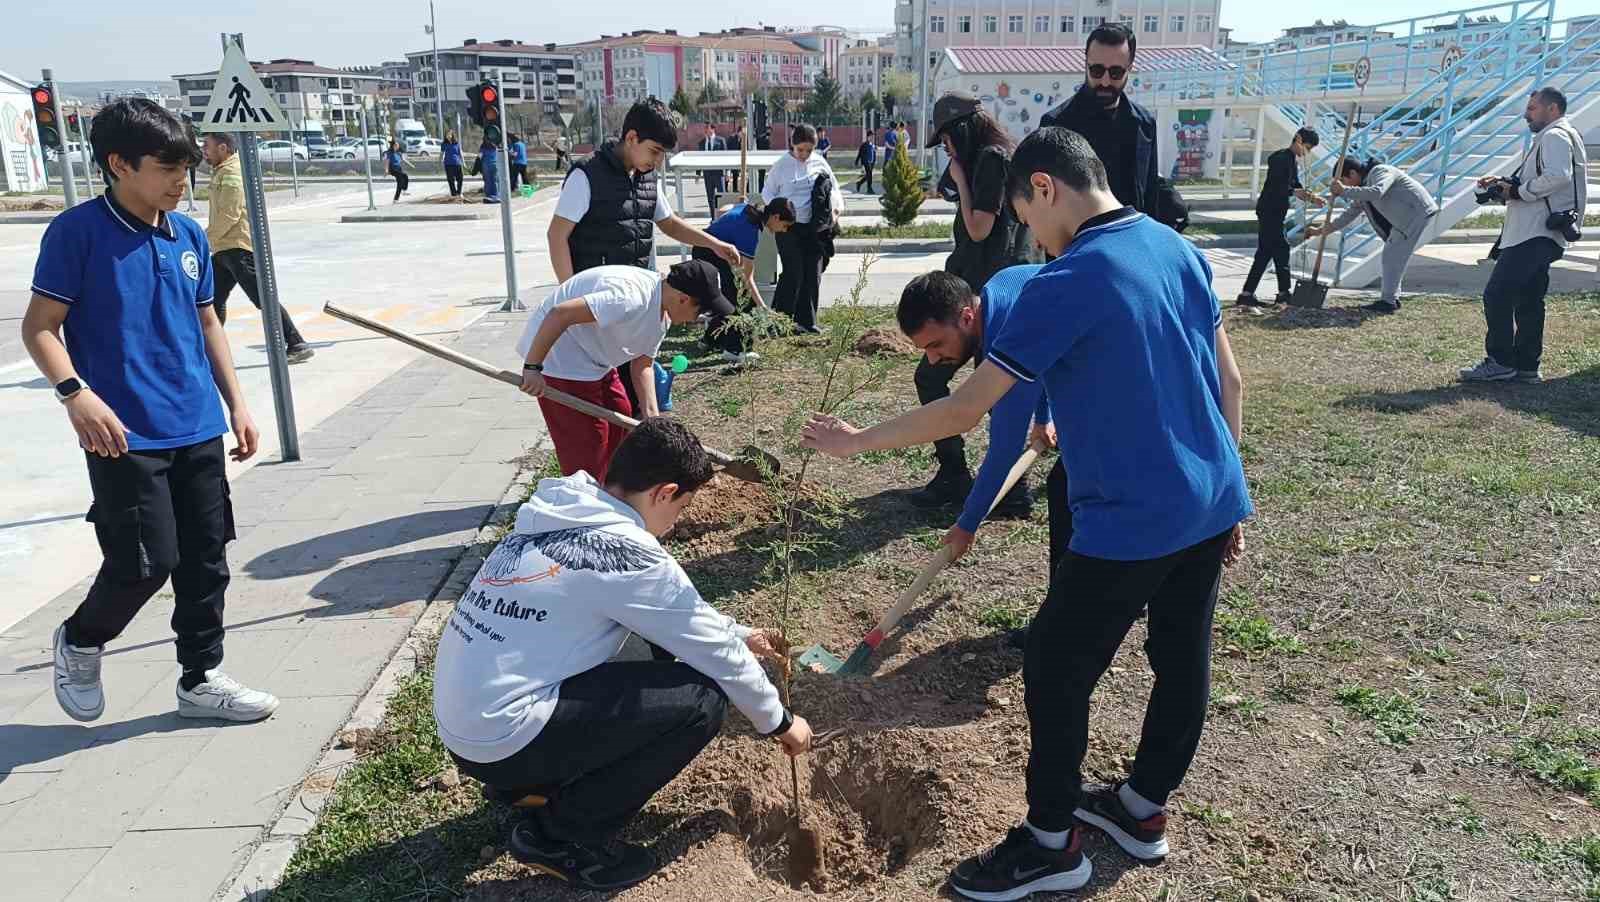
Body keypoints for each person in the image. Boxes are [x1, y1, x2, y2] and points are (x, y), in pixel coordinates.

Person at [802, 127, 1250, 900]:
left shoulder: (1066, 278)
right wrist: (1231, 490)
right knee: (1181, 657)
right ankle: (1142, 811)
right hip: (1210, 499)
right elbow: (1231, 382)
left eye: (1024, 213)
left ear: (1044, 188)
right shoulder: (1177, 250)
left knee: (1052, 664)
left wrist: (855, 443)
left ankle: (1051, 844)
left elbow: (963, 411)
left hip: (1132, 517)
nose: (1029, 234)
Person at [433, 417, 812, 892]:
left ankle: (530, 786)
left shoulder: (559, 515)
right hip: (503, 740)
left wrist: (739, 633)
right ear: (664, 492)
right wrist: (779, 721)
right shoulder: (629, 554)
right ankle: (561, 837)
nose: (676, 522)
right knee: (701, 700)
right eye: (682, 506)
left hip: (469, 727)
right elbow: (714, 654)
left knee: (652, 646)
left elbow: (679, 621)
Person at [20, 98, 280, 726]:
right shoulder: (77, 233)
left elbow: (207, 319)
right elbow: (39, 329)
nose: (180, 180)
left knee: (206, 559)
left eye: (185, 167)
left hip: (197, 424)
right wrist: (75, 394)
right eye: (166, 168)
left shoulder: (188, 234)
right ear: (118, 164)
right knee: (144, 563)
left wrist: (237, 403)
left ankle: (200, 678)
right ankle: (81, 639)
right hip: (122, 434)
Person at [912, 92, 1034, 509]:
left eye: (946, 140)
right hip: (972, 295)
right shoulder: (992, 158)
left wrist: (961, 178)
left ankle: (1011, 488)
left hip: (993, 303)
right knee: (930, 376)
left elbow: (980, 228)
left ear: (960, 131)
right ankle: (953, 473)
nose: (945, 150)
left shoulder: (991, 160)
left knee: (1000, 395)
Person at [514, 260, 734, 482]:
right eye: (701, 311)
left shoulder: (661, 312)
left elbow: (642, 364)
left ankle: (609, 487)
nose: (698, 319)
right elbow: (560, 314)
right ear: (683, 299)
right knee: (587, 444)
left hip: (595, 359)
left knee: (621, 417)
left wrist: (652, 419)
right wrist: (533, 367)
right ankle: (584, 496)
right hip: (561, 358)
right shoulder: (629, 298)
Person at [896, 267, 1056, 563]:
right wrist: (1044, 418)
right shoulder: (999, 288)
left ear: (966, 317)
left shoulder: (1011, 330)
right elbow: (1047, 356)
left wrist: (967, 523)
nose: (932, 359)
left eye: (935, 345)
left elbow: (1005, 448)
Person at [1460, 87, 1587, 383]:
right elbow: (1548, 178)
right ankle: (1527, 365)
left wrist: (1517, 190)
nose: (1526, 113)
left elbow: (1558, 176)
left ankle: (1501, 361)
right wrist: (1506, 184)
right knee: (1529, 300)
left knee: (1498, 293)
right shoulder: (1556, 136)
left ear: (1552, 109)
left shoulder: (1555, 136)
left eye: (1532, 108)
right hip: (1541, 232)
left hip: (1534, 232)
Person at [547, 99, 739, 282]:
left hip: (634, 292)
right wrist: (570, 295)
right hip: (591, 297)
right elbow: (556, 235)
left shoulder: (647, 177)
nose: (658, 162)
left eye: (663, 154)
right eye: (654, 151)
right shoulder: (586, 175)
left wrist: (714, 244)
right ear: (631, 138)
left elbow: (670, 224)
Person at [201, 132, 314, 363]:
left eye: (207, 146)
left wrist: (205, 239)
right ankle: (210, 350)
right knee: (212, 300)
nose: (204, 150)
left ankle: (296, 343)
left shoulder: (232, 173)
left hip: (237, 247)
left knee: (263, 298)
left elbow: (230, 214)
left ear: (223, 148)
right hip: (225, 248)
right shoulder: (222, 170)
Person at [1040, 23, 1168, 223]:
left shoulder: (1144, 124)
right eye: (1097, 70)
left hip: (1131, 244)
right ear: (1086, 65)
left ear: (1130, 68)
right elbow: (1045, 202)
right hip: (1078, 246)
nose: (1106, 81)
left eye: (1116, 72)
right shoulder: (1056, 124)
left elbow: (1150, 194)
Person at [1304, 157, 1438, 314]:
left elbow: (1377, 192)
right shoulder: (1362, 191)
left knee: (1392, 256)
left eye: (1343, 180)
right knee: (1392, 257)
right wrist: (1318, 231)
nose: (1344, 184)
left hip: (1416, 212)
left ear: (1353, 173)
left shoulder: (1380, 171)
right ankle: (1391, 299)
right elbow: (1347, 216)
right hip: (1406, 220)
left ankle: (1389, 301)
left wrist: (1344, 191)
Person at [762, 123, 844, 334]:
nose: (804, 155)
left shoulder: (819, 162)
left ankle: (807, 321)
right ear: (792, 144)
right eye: (800, 150)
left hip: (814, 227)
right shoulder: (781, 165)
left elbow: (833, 188)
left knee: (813, 273)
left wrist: (835, 210)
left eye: (809, 150)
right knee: (793, 273)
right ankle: (779, 322)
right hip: (789, 228)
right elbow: (767, 193)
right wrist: (779, 213)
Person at [698, 198, 797, 361]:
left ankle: (710, 340)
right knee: (744, 301)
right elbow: (747, 278)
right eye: (785, 226)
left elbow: (724, 210)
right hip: (709, 254)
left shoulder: (749, 209)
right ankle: (735, 350)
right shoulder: (750, 231)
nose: (784, 231)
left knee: (730, 300)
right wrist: (763, 306)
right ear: (776, 217)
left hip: (709, 250)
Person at [1237, 127, 1321, 310]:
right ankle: (1284, 294)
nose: (1306, 152)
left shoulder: (1292, 161)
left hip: (1276, 211)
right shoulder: (1280, 157)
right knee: (1281, 249)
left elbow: (1294, 184)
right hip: (1270, 211)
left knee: (1264, 254)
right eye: (1307, 147)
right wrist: (1295, 191)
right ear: (1298, 139)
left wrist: (1311, 196)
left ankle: (1247, 294)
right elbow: (1279, 185)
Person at [698, 123, 726, 213]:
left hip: (719, 173)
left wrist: (727, 173)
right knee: (710, 198)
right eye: (704, 128)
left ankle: (722, 216)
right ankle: (713, 218)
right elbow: (698, 158)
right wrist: (698, 174)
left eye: (707, 128)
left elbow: (727, 157)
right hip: (707, 174)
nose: (705, 130)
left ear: (713, 129)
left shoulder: (721, 141)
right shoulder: (702, 143)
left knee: (721, 196)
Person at [385, 138, 413, 204]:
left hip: (398, 168)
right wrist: (386, 170)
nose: (398, 146)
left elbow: (403, 159)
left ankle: (396, 199)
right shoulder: (389, 153)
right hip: (393, 169)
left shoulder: (398, 153)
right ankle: (404, 191)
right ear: (394, 145)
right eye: (397, 145)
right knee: (404, 176)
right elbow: (387, 161)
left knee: (400, 182)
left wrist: (411, 165)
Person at [475, 138, 501, 203]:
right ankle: (496, 195)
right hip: (495, 165)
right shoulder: (495, 147)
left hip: (486, 166)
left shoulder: (483, 147)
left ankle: (490, 195)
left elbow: (479, 157)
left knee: (488, 181)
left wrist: (477, 166)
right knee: (495, 181)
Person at [855, 128, 878, 193]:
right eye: (871, 136)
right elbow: (860, 153)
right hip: (866, 162)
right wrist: (857, 161)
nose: (872, 137)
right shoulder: (864, 145)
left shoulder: (873, 145)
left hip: (871, 162)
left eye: (873, 136)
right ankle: (869, 189)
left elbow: (874, 153)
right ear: (868, 136)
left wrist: (875, 160)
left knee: (868, 175)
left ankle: (859, 183)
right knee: (869, 175)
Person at [442, 130, 464, 197]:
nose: (448, 136)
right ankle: (454, 194)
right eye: (447, 135)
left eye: (449, 134)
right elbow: (442, 154)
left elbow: (460, 153)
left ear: (452, 135)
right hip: (448, 164)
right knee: (451, 180)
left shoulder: (456, 144)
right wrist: (440, 161)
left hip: (457, 163)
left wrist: (463, 162)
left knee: (460, 179)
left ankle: (459, 192)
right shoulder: (444, 144)